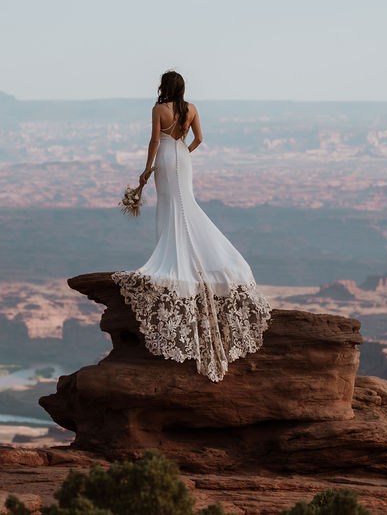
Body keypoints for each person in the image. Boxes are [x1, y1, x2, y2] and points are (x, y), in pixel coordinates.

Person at [112, 71, 270, 382]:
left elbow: (155, 140)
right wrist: (184, 152)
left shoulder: (159, 110)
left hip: (165, 159)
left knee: (170, 206)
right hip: (183, 158)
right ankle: (201, 257)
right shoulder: (191, 109)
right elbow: (199, 139)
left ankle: (176, 257)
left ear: (163, 87)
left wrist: (148, 169)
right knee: (187, 204)